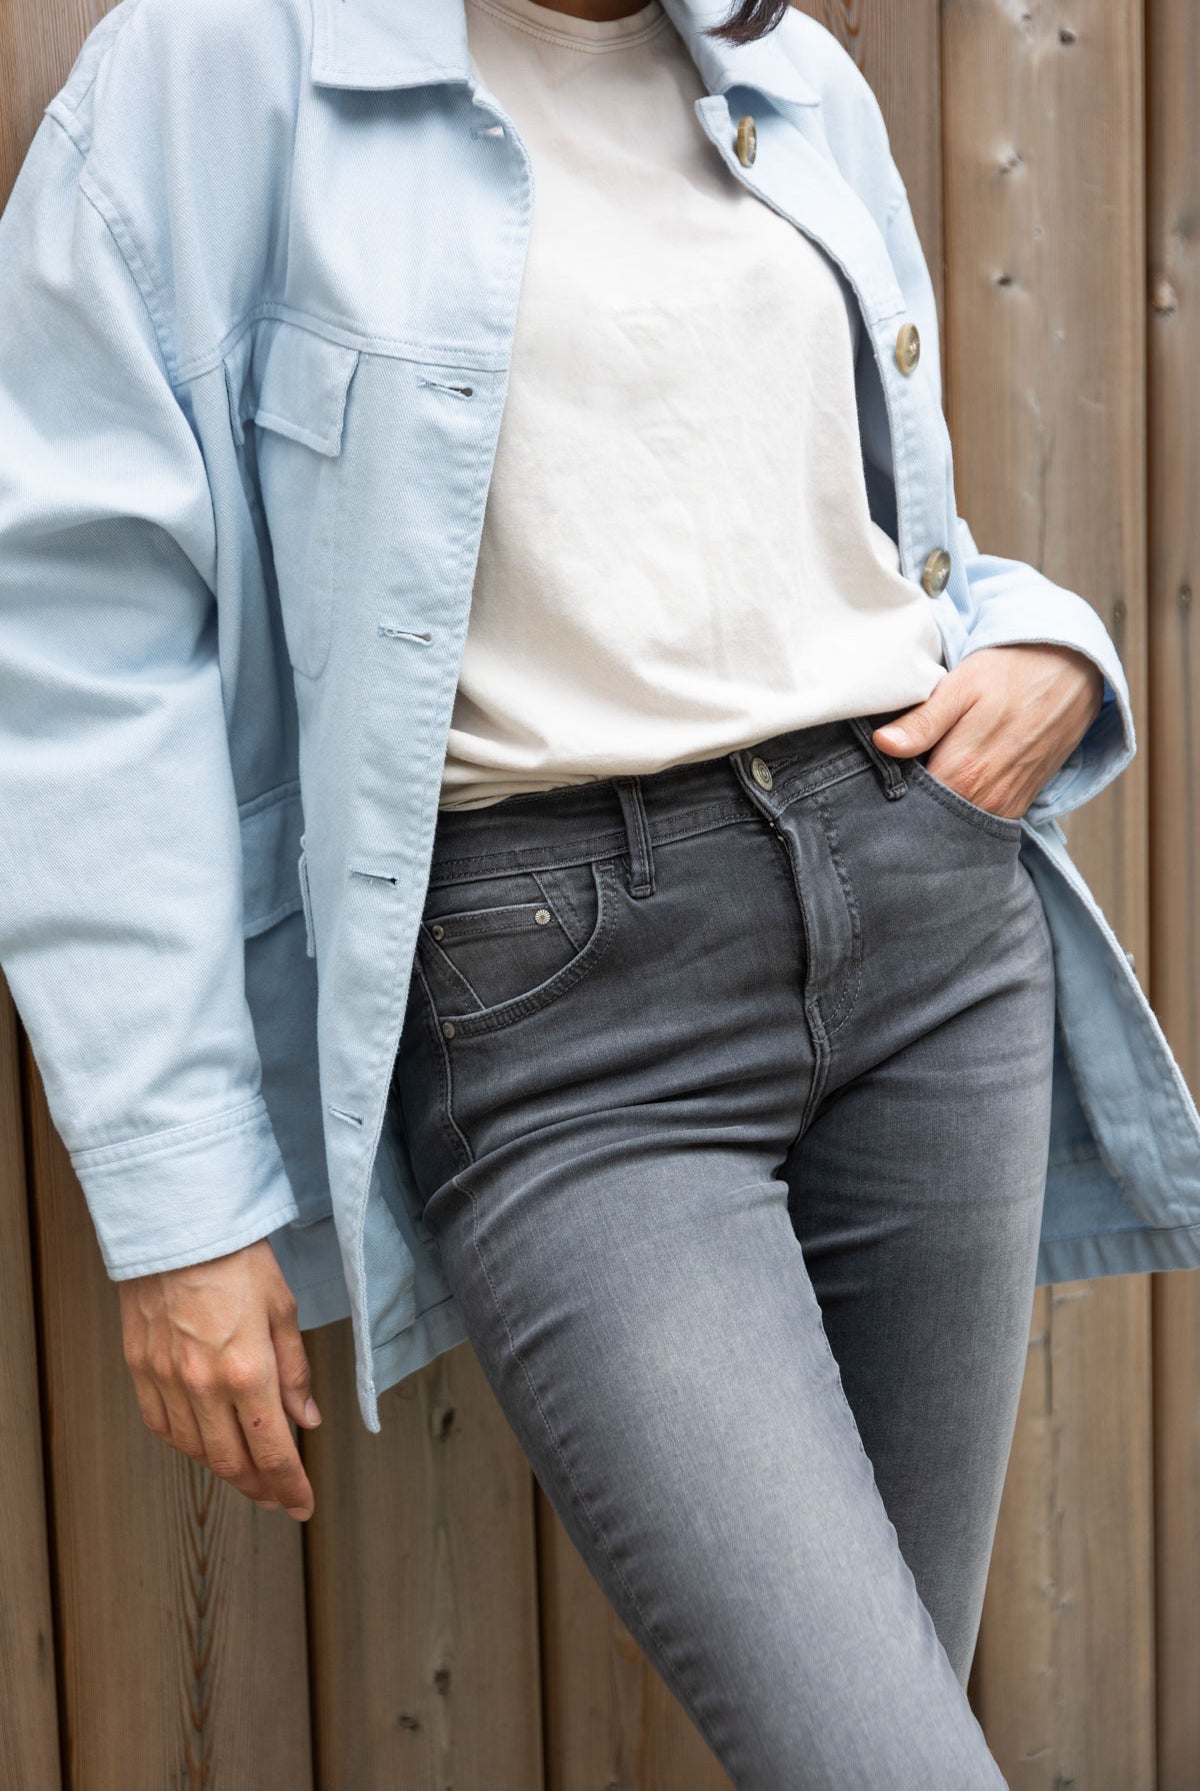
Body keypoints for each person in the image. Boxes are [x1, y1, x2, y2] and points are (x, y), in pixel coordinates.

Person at [2, 1, 1197, 1785]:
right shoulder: (216, 75)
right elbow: (72, 645)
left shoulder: (792, 77)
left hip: (931, 946)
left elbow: (854, 542)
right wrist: (179, 1196)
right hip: (565, 1032)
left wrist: (1043, 642)